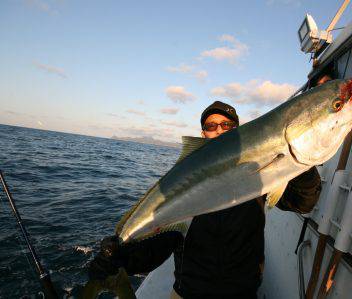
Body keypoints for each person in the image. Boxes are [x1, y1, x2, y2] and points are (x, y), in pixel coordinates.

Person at [89, 101, 322, 299]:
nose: (219, 130)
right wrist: (120, 258)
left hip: (242, 293)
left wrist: (298, 159)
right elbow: (158, 245)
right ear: (203, 135)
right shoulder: (184, 184)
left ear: (239, 132)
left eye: (227, 125)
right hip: (188, 293)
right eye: (211, 126)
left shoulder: (260, 176)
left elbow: (303, 202)